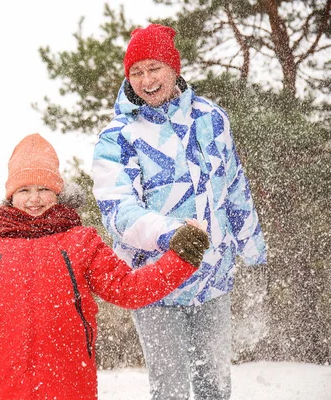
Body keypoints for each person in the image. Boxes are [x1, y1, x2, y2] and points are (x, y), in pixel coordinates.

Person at [0, 133, 209, 400]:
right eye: (24, 189)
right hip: (4, 385)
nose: (34, 198)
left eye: (44, 188)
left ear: (58, 192)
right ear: (10, 195)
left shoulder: (82, 242)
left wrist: (181, 258)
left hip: (69, 384)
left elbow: (128, 289)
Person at [91, 24, 267, 400]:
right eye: (135, 72)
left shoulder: (212, 118)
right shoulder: (119, 136)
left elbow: (234, 185)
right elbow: (118, 210)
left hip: (214, 276)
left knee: (215, 386)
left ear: (174, 69)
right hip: (156, 281)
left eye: (154, 68)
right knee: (169, 388)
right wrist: (171, 234)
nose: (146, 80)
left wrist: (253, 249)